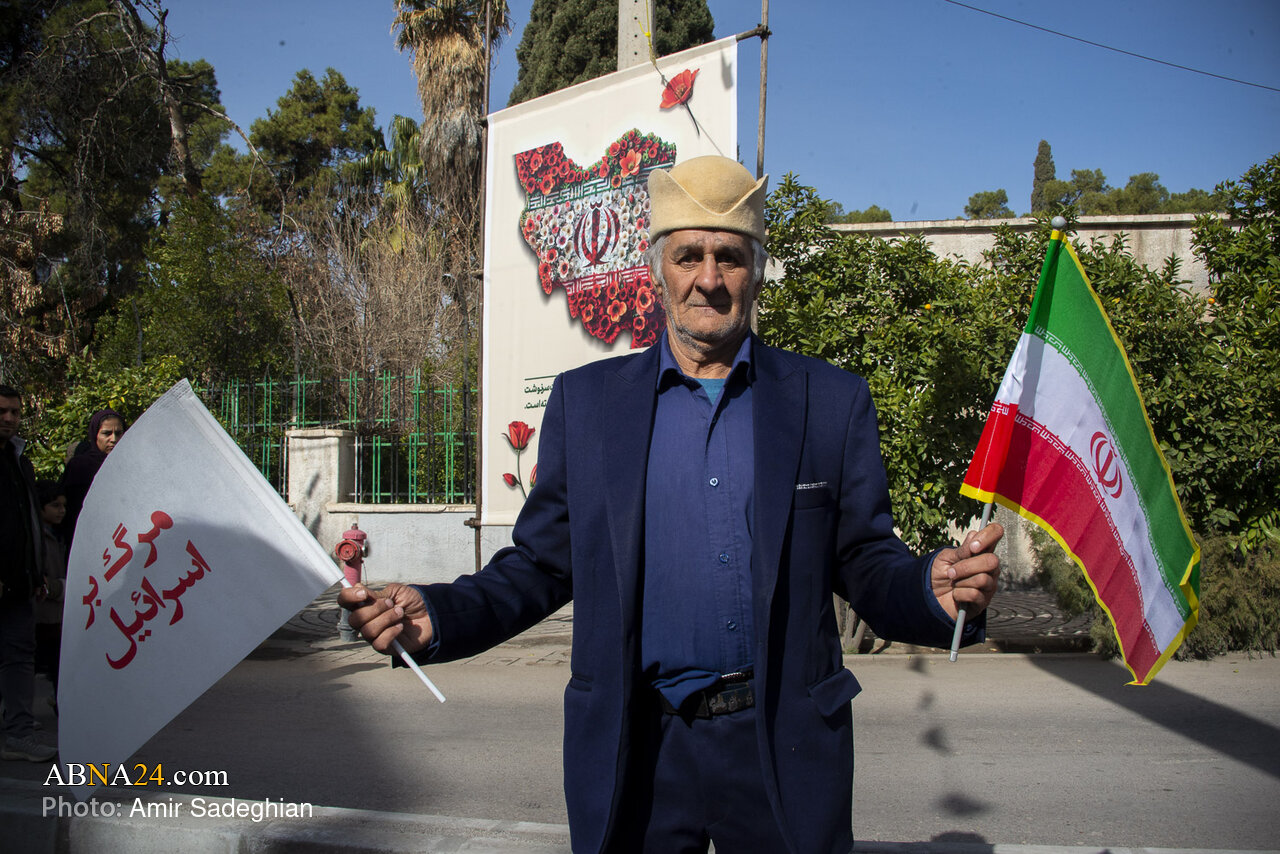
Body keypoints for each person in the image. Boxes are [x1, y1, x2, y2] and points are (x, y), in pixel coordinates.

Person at [340, 156, 1003, 854]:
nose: (708, 279)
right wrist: (439, 615)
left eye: (730, 258)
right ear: (657, 272)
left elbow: (864, 560)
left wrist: (929, 590)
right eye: (689, 256)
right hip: (637, 752)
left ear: (757, 272)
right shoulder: (588, 405)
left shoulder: (829, 402)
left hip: (783, 746)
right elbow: (540, 566)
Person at [0, 385, 57, 762]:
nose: (9, 418)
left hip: (20, 583)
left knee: (20, 657)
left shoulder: (20, 461)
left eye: (15, 412)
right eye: (2, 411)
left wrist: (37, 573)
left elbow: (28, 523)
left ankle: (18, 735)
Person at [60, 407, 125, 543]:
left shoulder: (130, 464)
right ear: (95, 435)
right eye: (106, 433)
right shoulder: (81, 467)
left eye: (118, 433)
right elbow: (71, 511)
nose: (113, 439)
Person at [34, 480, 67, 700]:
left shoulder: (57, 535)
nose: (61, 510)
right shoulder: (39, 537)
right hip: (41, 614)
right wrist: (59, 587)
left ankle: (60, 704)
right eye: (55, 505)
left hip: (55, 614)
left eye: (63, 505)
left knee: (57, 665)